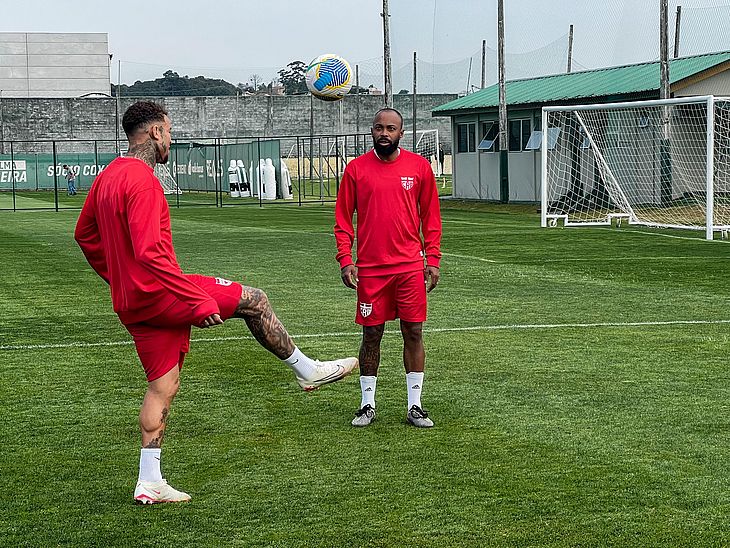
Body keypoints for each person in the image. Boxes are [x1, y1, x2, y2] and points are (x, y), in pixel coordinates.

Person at [74, 101, 358, 505]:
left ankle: (149, 481)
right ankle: (307, 370)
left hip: (132, 303)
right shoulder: (143, 180)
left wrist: (118, 279)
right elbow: (150, 253)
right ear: (156, 133)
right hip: (165, 295)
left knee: (163, 386)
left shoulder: (107, 178)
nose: (170, 139)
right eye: (169, 132)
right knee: (255, 300)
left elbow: (84, 235)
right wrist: (195, 301)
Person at [334, 108, 442, 429]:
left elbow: (431, 219)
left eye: (391, 128)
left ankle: (415, 406)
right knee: (372, 335)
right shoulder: (355, 170)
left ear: (401, 133)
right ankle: (367, 405)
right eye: (379, 127)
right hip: (371, 270)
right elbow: (343, 221)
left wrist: (432, 260)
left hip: (409, 268)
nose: (384, 133)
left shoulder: (419, 168)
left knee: (413, 331)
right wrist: (346, 259)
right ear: (371, 131)